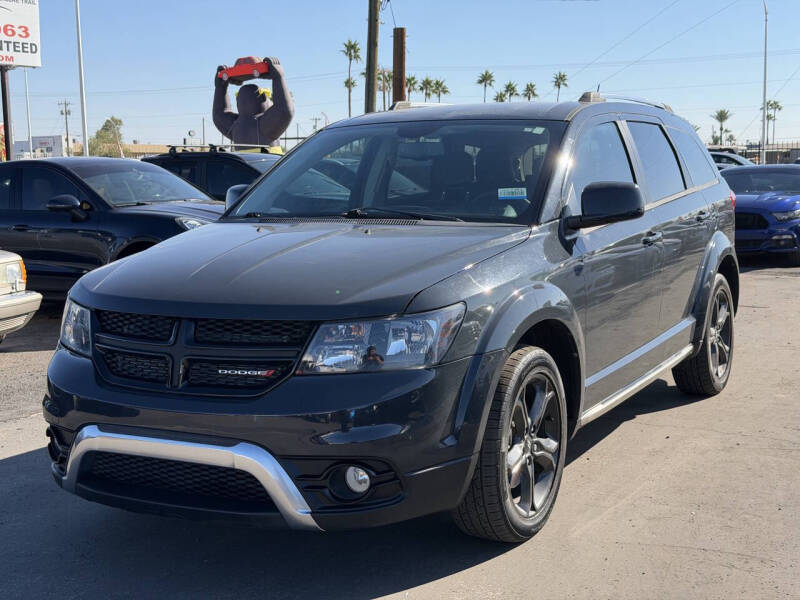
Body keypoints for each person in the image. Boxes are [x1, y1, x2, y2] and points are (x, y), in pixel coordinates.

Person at [212, 57, 294, 153]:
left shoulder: (235, 125)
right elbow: (284, 110)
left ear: (238, 101)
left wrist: (220, 87)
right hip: (270, 166)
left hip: (243, 165)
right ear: (263, 98)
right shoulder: (265, 125)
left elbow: (219, 113)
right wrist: (278, 77)